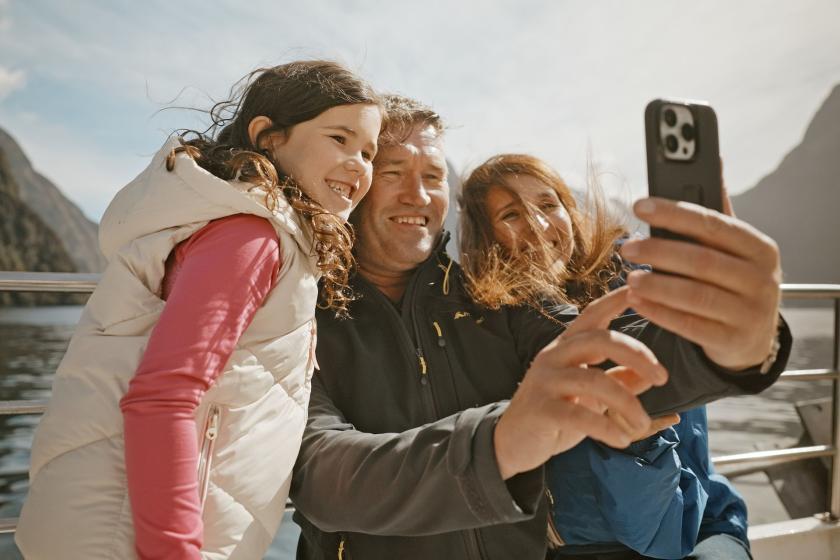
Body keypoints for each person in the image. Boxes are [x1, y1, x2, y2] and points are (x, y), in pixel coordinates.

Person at [290, 95, 791, 560]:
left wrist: (736, 348)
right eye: (393, 172)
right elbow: (320, 470)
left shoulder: (500, 294)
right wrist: (500, 441)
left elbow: (610, 360)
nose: (417, 195)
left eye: (434, 175)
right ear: (355, 183)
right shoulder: (302, 312)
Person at [15, 60, 383, 559]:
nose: (359, 164)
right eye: (339, 139)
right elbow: (162, 397)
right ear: (268, 136)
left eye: (368, 151)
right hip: (136, 539)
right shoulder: (250, 238)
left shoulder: (260, 230)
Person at [459, 153, 757, 559]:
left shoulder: (633, 293)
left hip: (689, 523)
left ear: (570, 210)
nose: (539, 225)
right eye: (512, 214)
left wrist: (730, 293)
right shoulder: (482, 326)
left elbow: (666, 533)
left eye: (549, 205)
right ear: (485, 237)